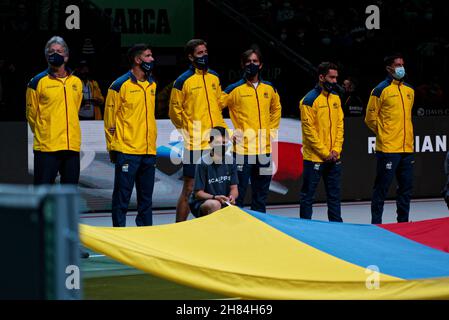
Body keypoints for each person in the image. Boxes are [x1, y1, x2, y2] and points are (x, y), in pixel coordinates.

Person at [169, 39, 227, 222]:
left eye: (205, 52)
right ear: (190, 56)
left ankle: (209, 229)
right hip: (195, 142)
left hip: (215, 141)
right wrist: (189, 130)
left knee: (214, 188)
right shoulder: (182, 81)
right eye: (200, 53)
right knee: (189, 187)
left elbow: (218, 104)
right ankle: (179, 229)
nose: (204, 55)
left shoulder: (214, 77)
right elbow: (174, 111)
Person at [222, 48, 282, 213]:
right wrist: (229, 132)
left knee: (261, 194)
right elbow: (214, 109)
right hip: (243, 150)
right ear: (242, 65)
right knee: (237, 194)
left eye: (255, 61)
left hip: (265, 149)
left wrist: (271, 130)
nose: (252, 64)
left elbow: (276, 109)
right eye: (248, 61)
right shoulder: (233, 89)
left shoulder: (269, 88)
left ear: (261, 65)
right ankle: (237, 232)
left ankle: (258, 230)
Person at [104, 43, 157, 227]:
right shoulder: (119, 86)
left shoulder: (152, 84)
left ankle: (145, 236)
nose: (152, 59)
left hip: (148, 151)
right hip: (127, 151)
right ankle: (120, 235)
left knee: (146, 199)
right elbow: (109, 122)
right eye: (148, 56)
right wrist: (113, 147)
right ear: (137, 59)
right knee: (122, 197)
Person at [365, 53, 415, 224]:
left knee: (406, 189)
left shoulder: (410, 90)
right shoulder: (380, 90)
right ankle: (376, 224)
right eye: (397, 65)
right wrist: (385, 134)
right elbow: (370, 118)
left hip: (407, 148)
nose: (401, 68)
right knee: (381, 189)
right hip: (388, 149)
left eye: (402, 64)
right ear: (389, 68)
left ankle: (403, 224)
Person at [26, 36, 83, 186]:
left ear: (66, 56)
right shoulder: (36, 82)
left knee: (69, 193)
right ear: (46, 56)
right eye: (51, 51)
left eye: (59, 51)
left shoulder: (76, 82)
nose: (55, 54)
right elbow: (31, 115)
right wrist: (45, 132)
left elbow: (75, 108)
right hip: (47, 147)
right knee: (43, 194)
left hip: (71, 147)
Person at [299, 62, 344, 222]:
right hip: (315, 159)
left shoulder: (336, 98)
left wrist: (336, 150)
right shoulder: (309, 101)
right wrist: (326, 153)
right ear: (321, 77)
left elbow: (340, 126)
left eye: (336, 78)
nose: (334, 81)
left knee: (334, 197)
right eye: (331, 77)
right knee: (308, 197)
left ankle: (337, 228)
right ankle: (305, 230)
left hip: (334, 157)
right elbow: (309, 133)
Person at [189, 126, 238, 217]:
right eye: (217, 142)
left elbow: (234, 188)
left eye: (224, 143)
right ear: (210, 143)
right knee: (215, 204)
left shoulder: (231, 161)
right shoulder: (202, 163)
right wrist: (215, 197)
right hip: (204, 202)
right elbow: (198, 193)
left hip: (224, 200)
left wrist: (232, 197)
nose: (221, 146)